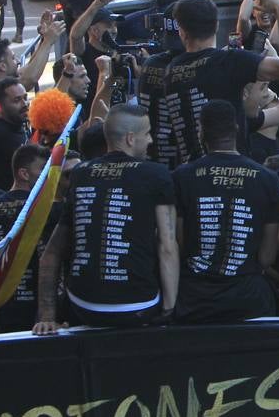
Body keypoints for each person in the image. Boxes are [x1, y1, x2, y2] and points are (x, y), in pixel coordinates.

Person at [33, 105, 179, 331]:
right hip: (138, 306)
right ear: (130, 139)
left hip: (83, 307)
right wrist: (169, 310)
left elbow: (51, 254)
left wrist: (47, 316)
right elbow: (167, 247)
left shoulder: (81, 174)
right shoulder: (156, 174)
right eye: (147, 133)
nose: (150, 140)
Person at [137, 0, 279, 169]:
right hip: (234, 174)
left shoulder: (171, 71)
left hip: (191, 176)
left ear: (181, 32)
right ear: (217, 25)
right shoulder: (229, 61)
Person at [172, 100, 279, 323]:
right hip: (248, 299)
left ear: (201, 132)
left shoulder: (181, 177)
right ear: (236, 128)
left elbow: (179, 243)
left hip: (194, 300)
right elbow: (266, 257)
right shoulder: (267, 178)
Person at [0, 143, 53, 333]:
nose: (49, 175)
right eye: (43, 169)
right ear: (24, 174)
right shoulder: (47, 209)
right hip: (41, 317)